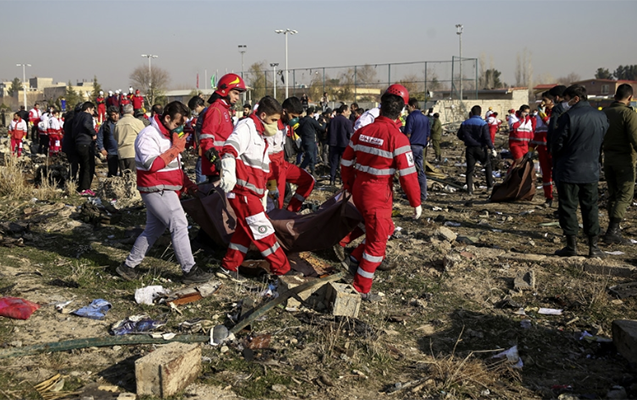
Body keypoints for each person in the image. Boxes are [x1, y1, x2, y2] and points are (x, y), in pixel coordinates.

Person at [116, 101, 213, 283]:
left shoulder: (169, 136)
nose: (179, 128)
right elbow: (152, 165)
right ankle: (189, 270)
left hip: (165, 188)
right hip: (156, 188)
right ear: (167, 118)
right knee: (179, 224)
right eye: (177, 124)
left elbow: (175, 169)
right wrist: (176, 149)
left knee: (153, 230)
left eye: (182, 124)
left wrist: (190, 186)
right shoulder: (148, 135)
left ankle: (128, 266)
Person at [340, 85, 422, 301]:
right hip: (378, 195)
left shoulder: (362, 132)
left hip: (359, 189)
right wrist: (416, 202)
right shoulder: (398, 138)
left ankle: (354, 257)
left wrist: (349, 186)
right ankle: (361, 288)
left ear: (381, 106)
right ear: (401, 111)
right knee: (377, 245)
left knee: (385, 228)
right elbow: (408, 176)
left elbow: (346, 162)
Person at [218, 96, 298, 278]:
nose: (275, 125)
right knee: (264, 232)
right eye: (273, 120)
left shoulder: (262, 136)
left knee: (244, 232)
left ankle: (228, 267)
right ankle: (282, 269)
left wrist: (271, 187)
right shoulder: (247, 127)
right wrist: (228, 171)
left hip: (252, 193)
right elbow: (230, 148)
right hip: (243, 192)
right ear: (263, 115)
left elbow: (264, 169)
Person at [551, 84, 608, 258]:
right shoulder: (601, 116)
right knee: (590, 208)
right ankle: (593, 247)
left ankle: (572, 246)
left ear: (575, 99)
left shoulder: (568, 117)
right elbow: (602, 140)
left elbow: (556, 144)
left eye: (567, 99)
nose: (565, 103)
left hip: (569, 170)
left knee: (568, 208)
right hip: (591, 170)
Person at [266, 97, 316, 212]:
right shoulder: (272, 126)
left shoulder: (285, 125)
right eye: (293, 117)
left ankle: (292, 210)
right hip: (272, 169)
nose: (295, 120)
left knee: (309, 181)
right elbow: (265, 157)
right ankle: (277, 218)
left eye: (297, 117)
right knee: (276, 201)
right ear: (284, 111)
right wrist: (271, 182)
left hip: (282, 164)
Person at [602, 83, 637, 244]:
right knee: (625, 195)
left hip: (608, 159)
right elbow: (635, 138)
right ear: (630, 97)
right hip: (625, 160)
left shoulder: (604, 113)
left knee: (613, 195)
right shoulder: (628, 114)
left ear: (615, 96)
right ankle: (613, 230)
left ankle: (612, 228)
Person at [199, 73, 246, 182]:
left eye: (238, 94)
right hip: (217, 168)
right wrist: (216, 160)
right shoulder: (216, 110)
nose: (237, 98)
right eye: (235, 93)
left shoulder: (224, 109)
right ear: (225, 90)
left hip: (224, 164)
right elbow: (206, 139)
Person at [457, 105, 496, 195]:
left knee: (470, 169)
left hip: (470, 148)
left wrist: (466, 140)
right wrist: (492, 148)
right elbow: (487, 138)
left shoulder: (465, 123)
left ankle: (470, 189)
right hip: (481, 148)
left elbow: (459, 135)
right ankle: (489, 186)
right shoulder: (483, 124)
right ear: (480, 113)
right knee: (487, 166)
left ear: (471, 113)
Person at [403, 98, 430, 202]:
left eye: (408, 107)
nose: (407, 109)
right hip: (421, 147)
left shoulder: (411, 117)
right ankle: (423, 194)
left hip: (412, 146)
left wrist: (405, 145)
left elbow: (408, 133)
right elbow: (428, 136)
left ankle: (411, 194)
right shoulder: (425, 118)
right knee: (421, 171)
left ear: (413, 106)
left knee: (409, 171)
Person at [533, 92, 556, 206]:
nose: (543, 103)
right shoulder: (540, 114)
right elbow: (537, 131)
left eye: (545, 100)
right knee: (545, 175)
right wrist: (531, 147)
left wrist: (544, 117)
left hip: (554, 148)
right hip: (542, 148)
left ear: (552, 101)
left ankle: (562, 199)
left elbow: (553, 126)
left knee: (558, 174)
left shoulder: (556, 112)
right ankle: (549, 197)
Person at [72, 102, 98, 196]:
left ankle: (81, 187)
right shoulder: (87, 116)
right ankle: (86, 188)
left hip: (77, 143)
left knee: (82, 166)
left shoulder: (76, 116)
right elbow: (86, 124)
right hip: (86, 143)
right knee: (88, 166)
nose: (93, 113)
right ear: (88, 109)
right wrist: (93, 133)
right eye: (92, 110)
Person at [115, 104, 146, 173]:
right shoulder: (137, 122)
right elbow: (144, 136)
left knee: (124, 176)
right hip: (132, 153)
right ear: (132, 112)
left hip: (121, 153)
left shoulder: (118, 123)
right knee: (132, 176)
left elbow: (115, 137)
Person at [327, 104, 353, 185]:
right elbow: (350, 134)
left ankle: (332, 179)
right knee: (343, 163)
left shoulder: (332, 121)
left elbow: (329, 132)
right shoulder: (347, 122)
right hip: (344, 144)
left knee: (333, 163)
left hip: (333, 144)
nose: (349, 113)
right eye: (348, 111)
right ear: (344, 111)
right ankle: (342, 179)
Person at [298, 106, 326, 175]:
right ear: (312, 113)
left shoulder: (302, 121)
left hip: (304, 140)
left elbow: (297, 131)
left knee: (308, 156)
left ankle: (301, 169)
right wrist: (324, 123)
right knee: (311, 156)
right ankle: (312, 171)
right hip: (311, 140)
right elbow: (321, 128)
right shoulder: (312, 121)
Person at [96, 106, 120, 177]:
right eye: (113, 115)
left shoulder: (123, 123)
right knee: (112, 173)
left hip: (122, 151)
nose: (116, 116)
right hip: (111, 152)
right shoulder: (106, 125)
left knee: (124, 172)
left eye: (117, 114)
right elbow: (100, 137)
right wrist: (102, 148)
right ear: (110, 116)